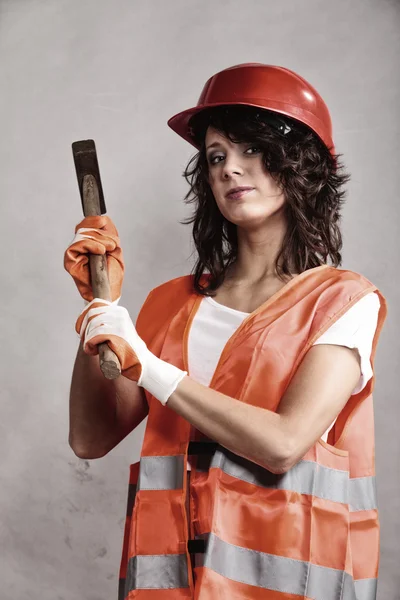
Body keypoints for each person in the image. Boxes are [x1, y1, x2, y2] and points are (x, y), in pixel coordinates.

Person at [64, 63, 388, 600]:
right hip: (169, 588)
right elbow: (90, 438)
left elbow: (283, 444)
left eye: (251, 150)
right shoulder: (170, 303)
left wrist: (150, 367)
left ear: (299, 165)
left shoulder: (342, 302)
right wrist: (101, 308)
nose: (230, 169)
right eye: (216, 157)